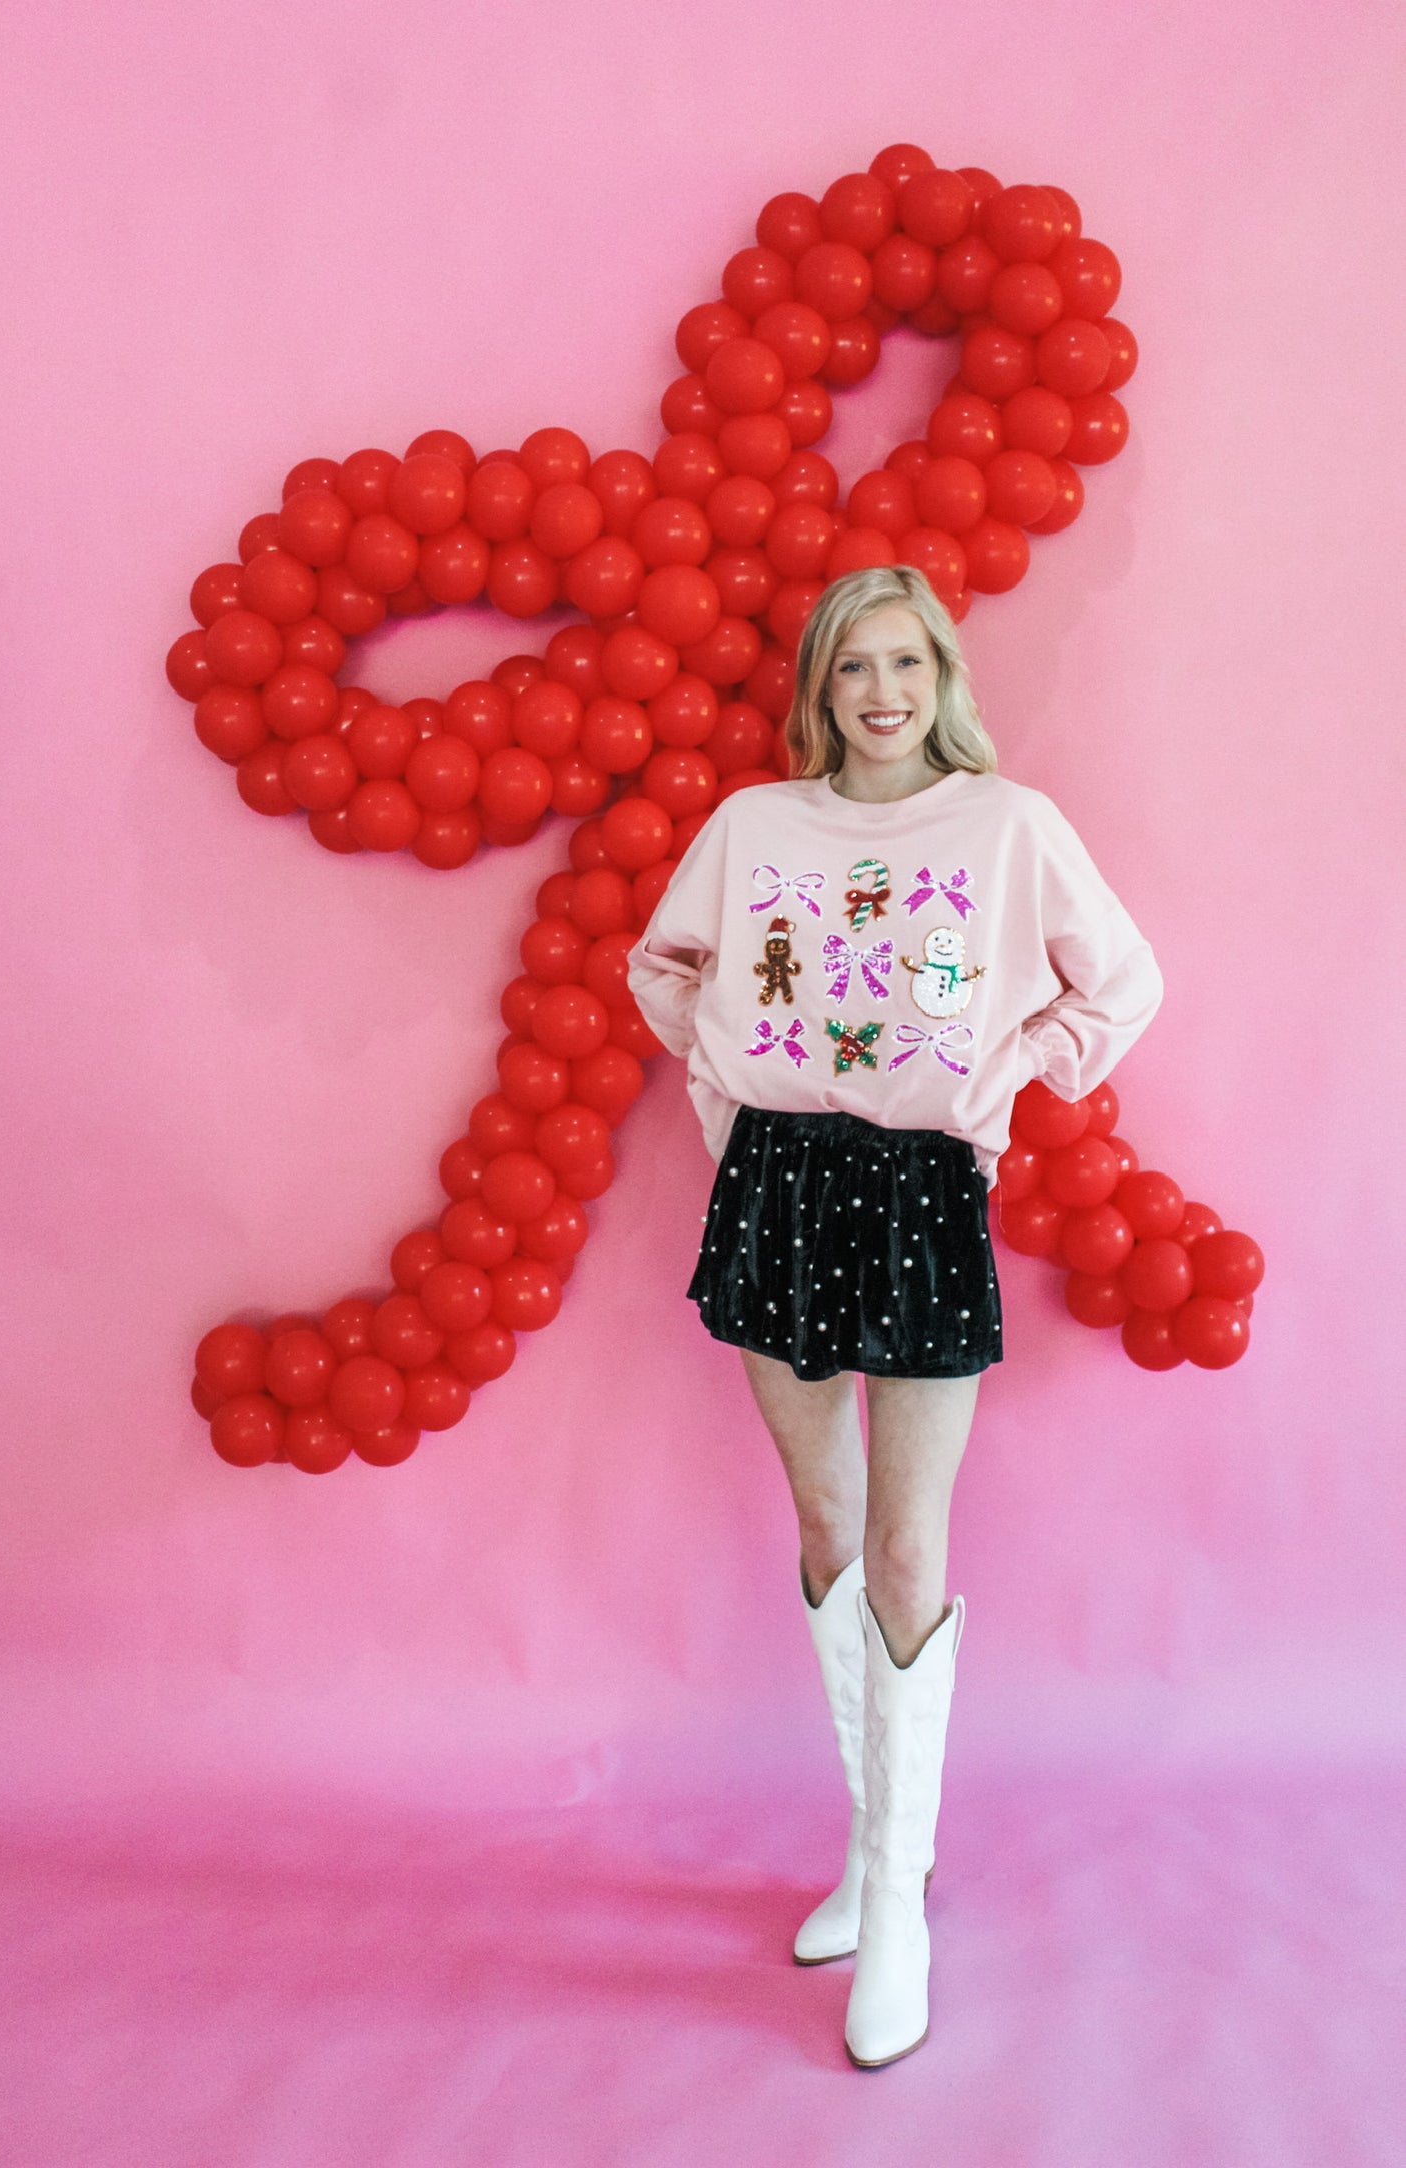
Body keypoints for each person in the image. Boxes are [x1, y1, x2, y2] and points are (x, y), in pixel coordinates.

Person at [627, 564, 1163, 2068]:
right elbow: (663, 966)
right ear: (820, 687)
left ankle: (898, 1902)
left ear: (941, 682)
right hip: (780, 1183)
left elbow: (1118, 985)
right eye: (853, 667)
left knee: (913, 1544)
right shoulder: (754, 828)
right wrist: (735, 1085)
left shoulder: (1007, 826)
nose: (880, 694)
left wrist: (1006, 1071)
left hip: (924, 1185)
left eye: (906, 666)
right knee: (825, 1527)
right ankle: (872, 1859)